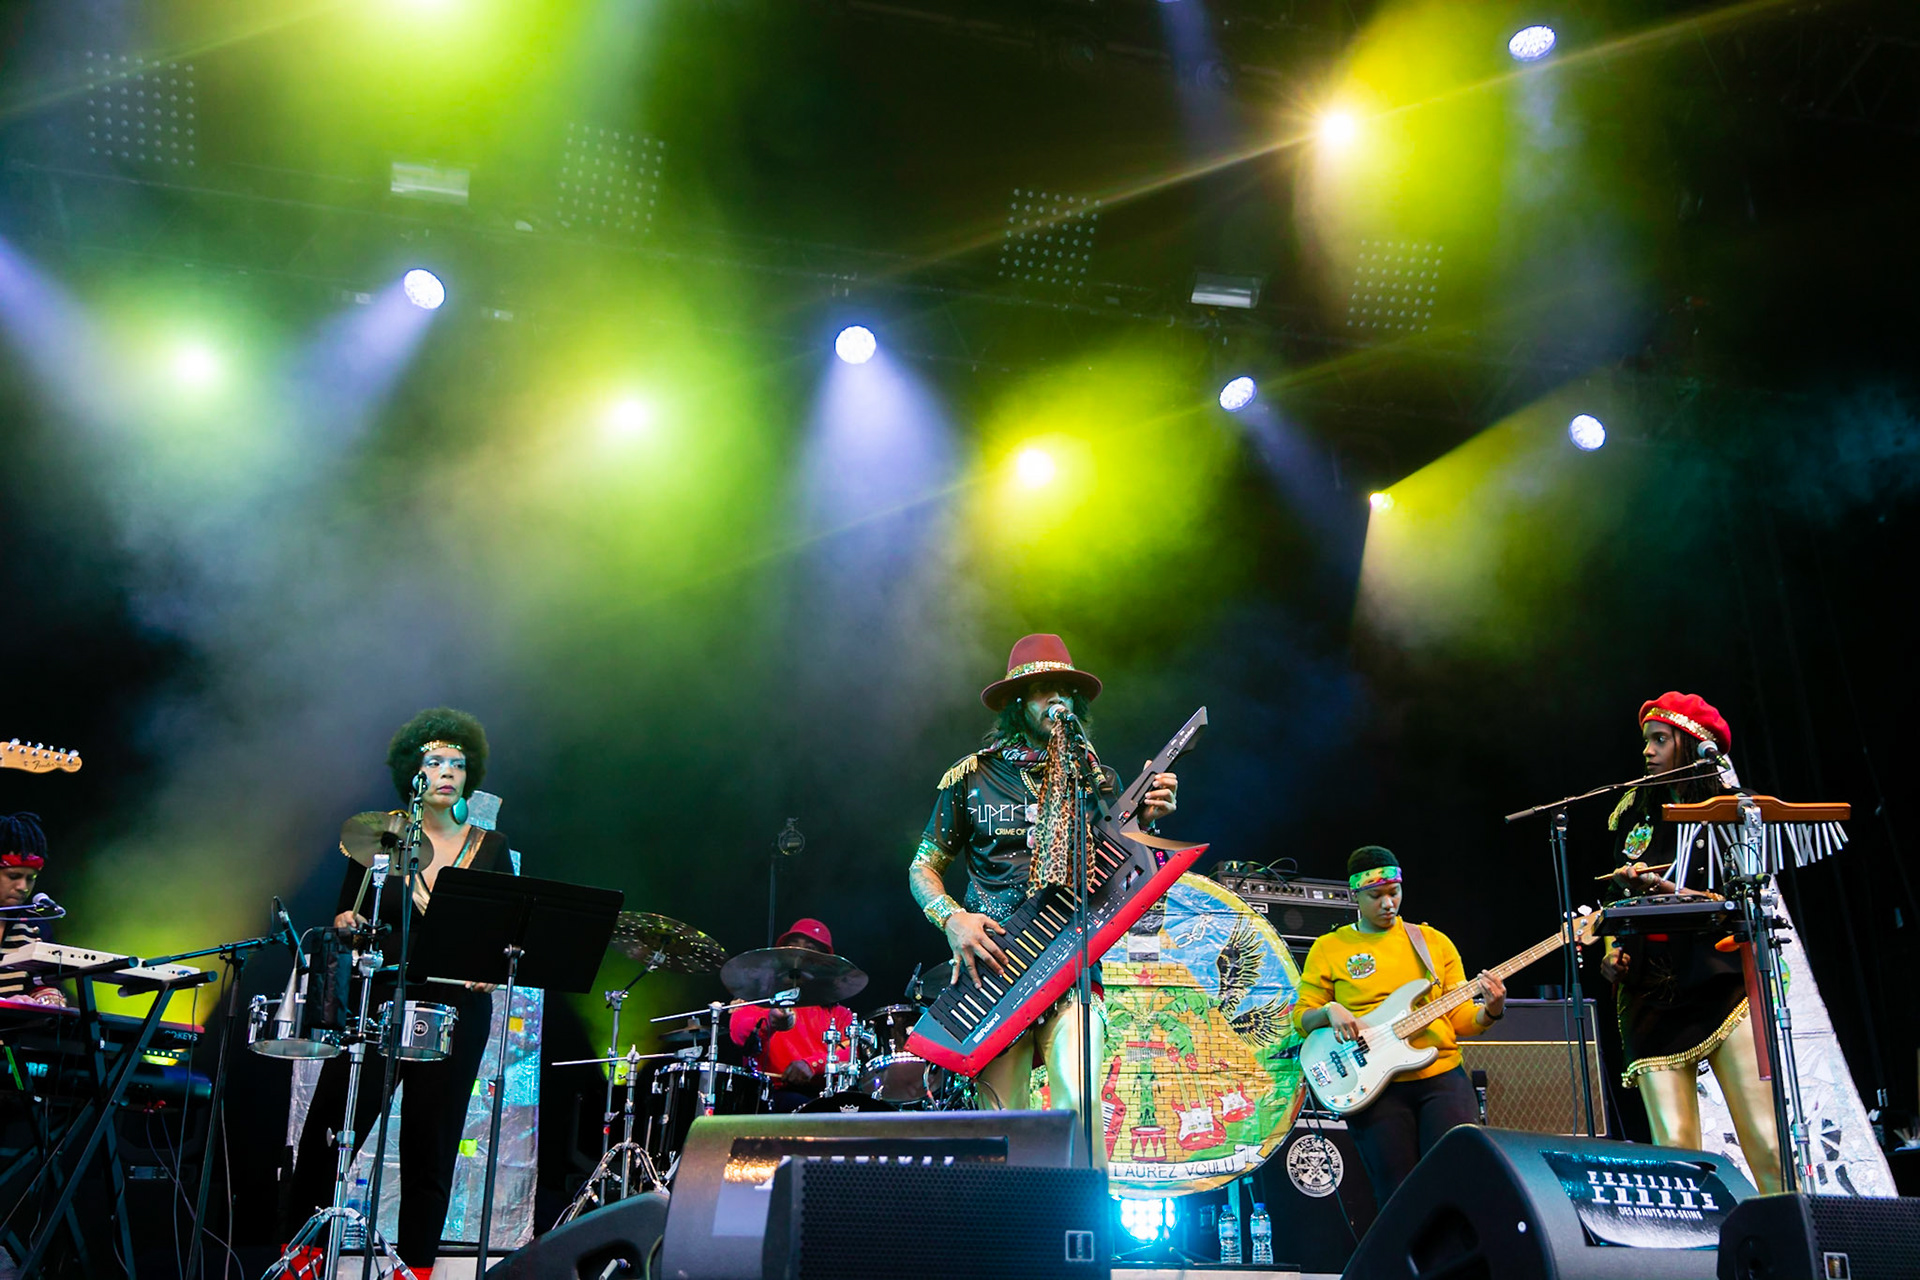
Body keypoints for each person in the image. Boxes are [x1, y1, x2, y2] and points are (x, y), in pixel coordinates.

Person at [907, 633, 1177, 1159]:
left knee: (1080, 1105)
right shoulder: (972, 776)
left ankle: (1083, 1213)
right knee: (1003, 1125)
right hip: (993, 970)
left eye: (1065, 690)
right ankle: (1013, 1216)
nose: (1057, 699)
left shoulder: (1096, 780)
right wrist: (952, 918)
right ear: (1017, 702)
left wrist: (1144, 825)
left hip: (1069, 963)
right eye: (1041, 689)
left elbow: (1123, 880)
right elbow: (923, 866)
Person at [285, 708, 512, 1279]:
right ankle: (301, 1259)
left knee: (430, 1147)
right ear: (412, 769)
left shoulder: (490, 846)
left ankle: (417, 1271)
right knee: (331, 1131)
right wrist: (345, 922)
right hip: (378, 1000)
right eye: (435, 761)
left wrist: (492, 965)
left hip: (455, 1009)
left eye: (459, 764)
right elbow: (348, 913)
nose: (448, 773)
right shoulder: (378, 835)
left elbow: (507, 932)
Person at [1599, 691, 1781, 1192]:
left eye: (1660, 740)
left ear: (1691, 744)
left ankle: (1792, 1234)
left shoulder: (1731, 810)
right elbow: (1614, 904)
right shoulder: (1635, 814)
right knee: (1676, 1157)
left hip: (1720, 984)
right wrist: (1611, 953)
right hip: (1650, 993)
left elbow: (1745, 898)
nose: (1647, 751)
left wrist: (1668, 890)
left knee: (1766, 1143)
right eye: (1646, 741)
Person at [1292, 846, 1505, 1204]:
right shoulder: (1330, 947)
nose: (1388, 903)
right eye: (1376, 896)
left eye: (1394, 893)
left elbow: (1461, 1020)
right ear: (1355, 895)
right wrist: (1329, 1010)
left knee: (1457, 1182)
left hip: (1441, 1078)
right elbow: (1301, 1018)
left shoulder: (1433, 943)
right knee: (1399, 1195)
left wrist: (1491, 1010)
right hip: (1374, 1088)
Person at [728, 918, 857, 1110]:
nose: (798, 956)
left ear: (823, 965)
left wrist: (812, 1065)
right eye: (792, 948)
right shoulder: (759, 1001)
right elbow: (739, 1034)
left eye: (810, 950)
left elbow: (851, 1052)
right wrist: (770, 1021)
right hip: (769, 1097)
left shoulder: (840, 1014)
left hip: (825, 1097)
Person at [0, 813, 66, 1006]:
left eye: (31, 878)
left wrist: (48, 1000)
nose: (23, 887)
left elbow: (44, 983)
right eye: (14, 876)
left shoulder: (35, 926)